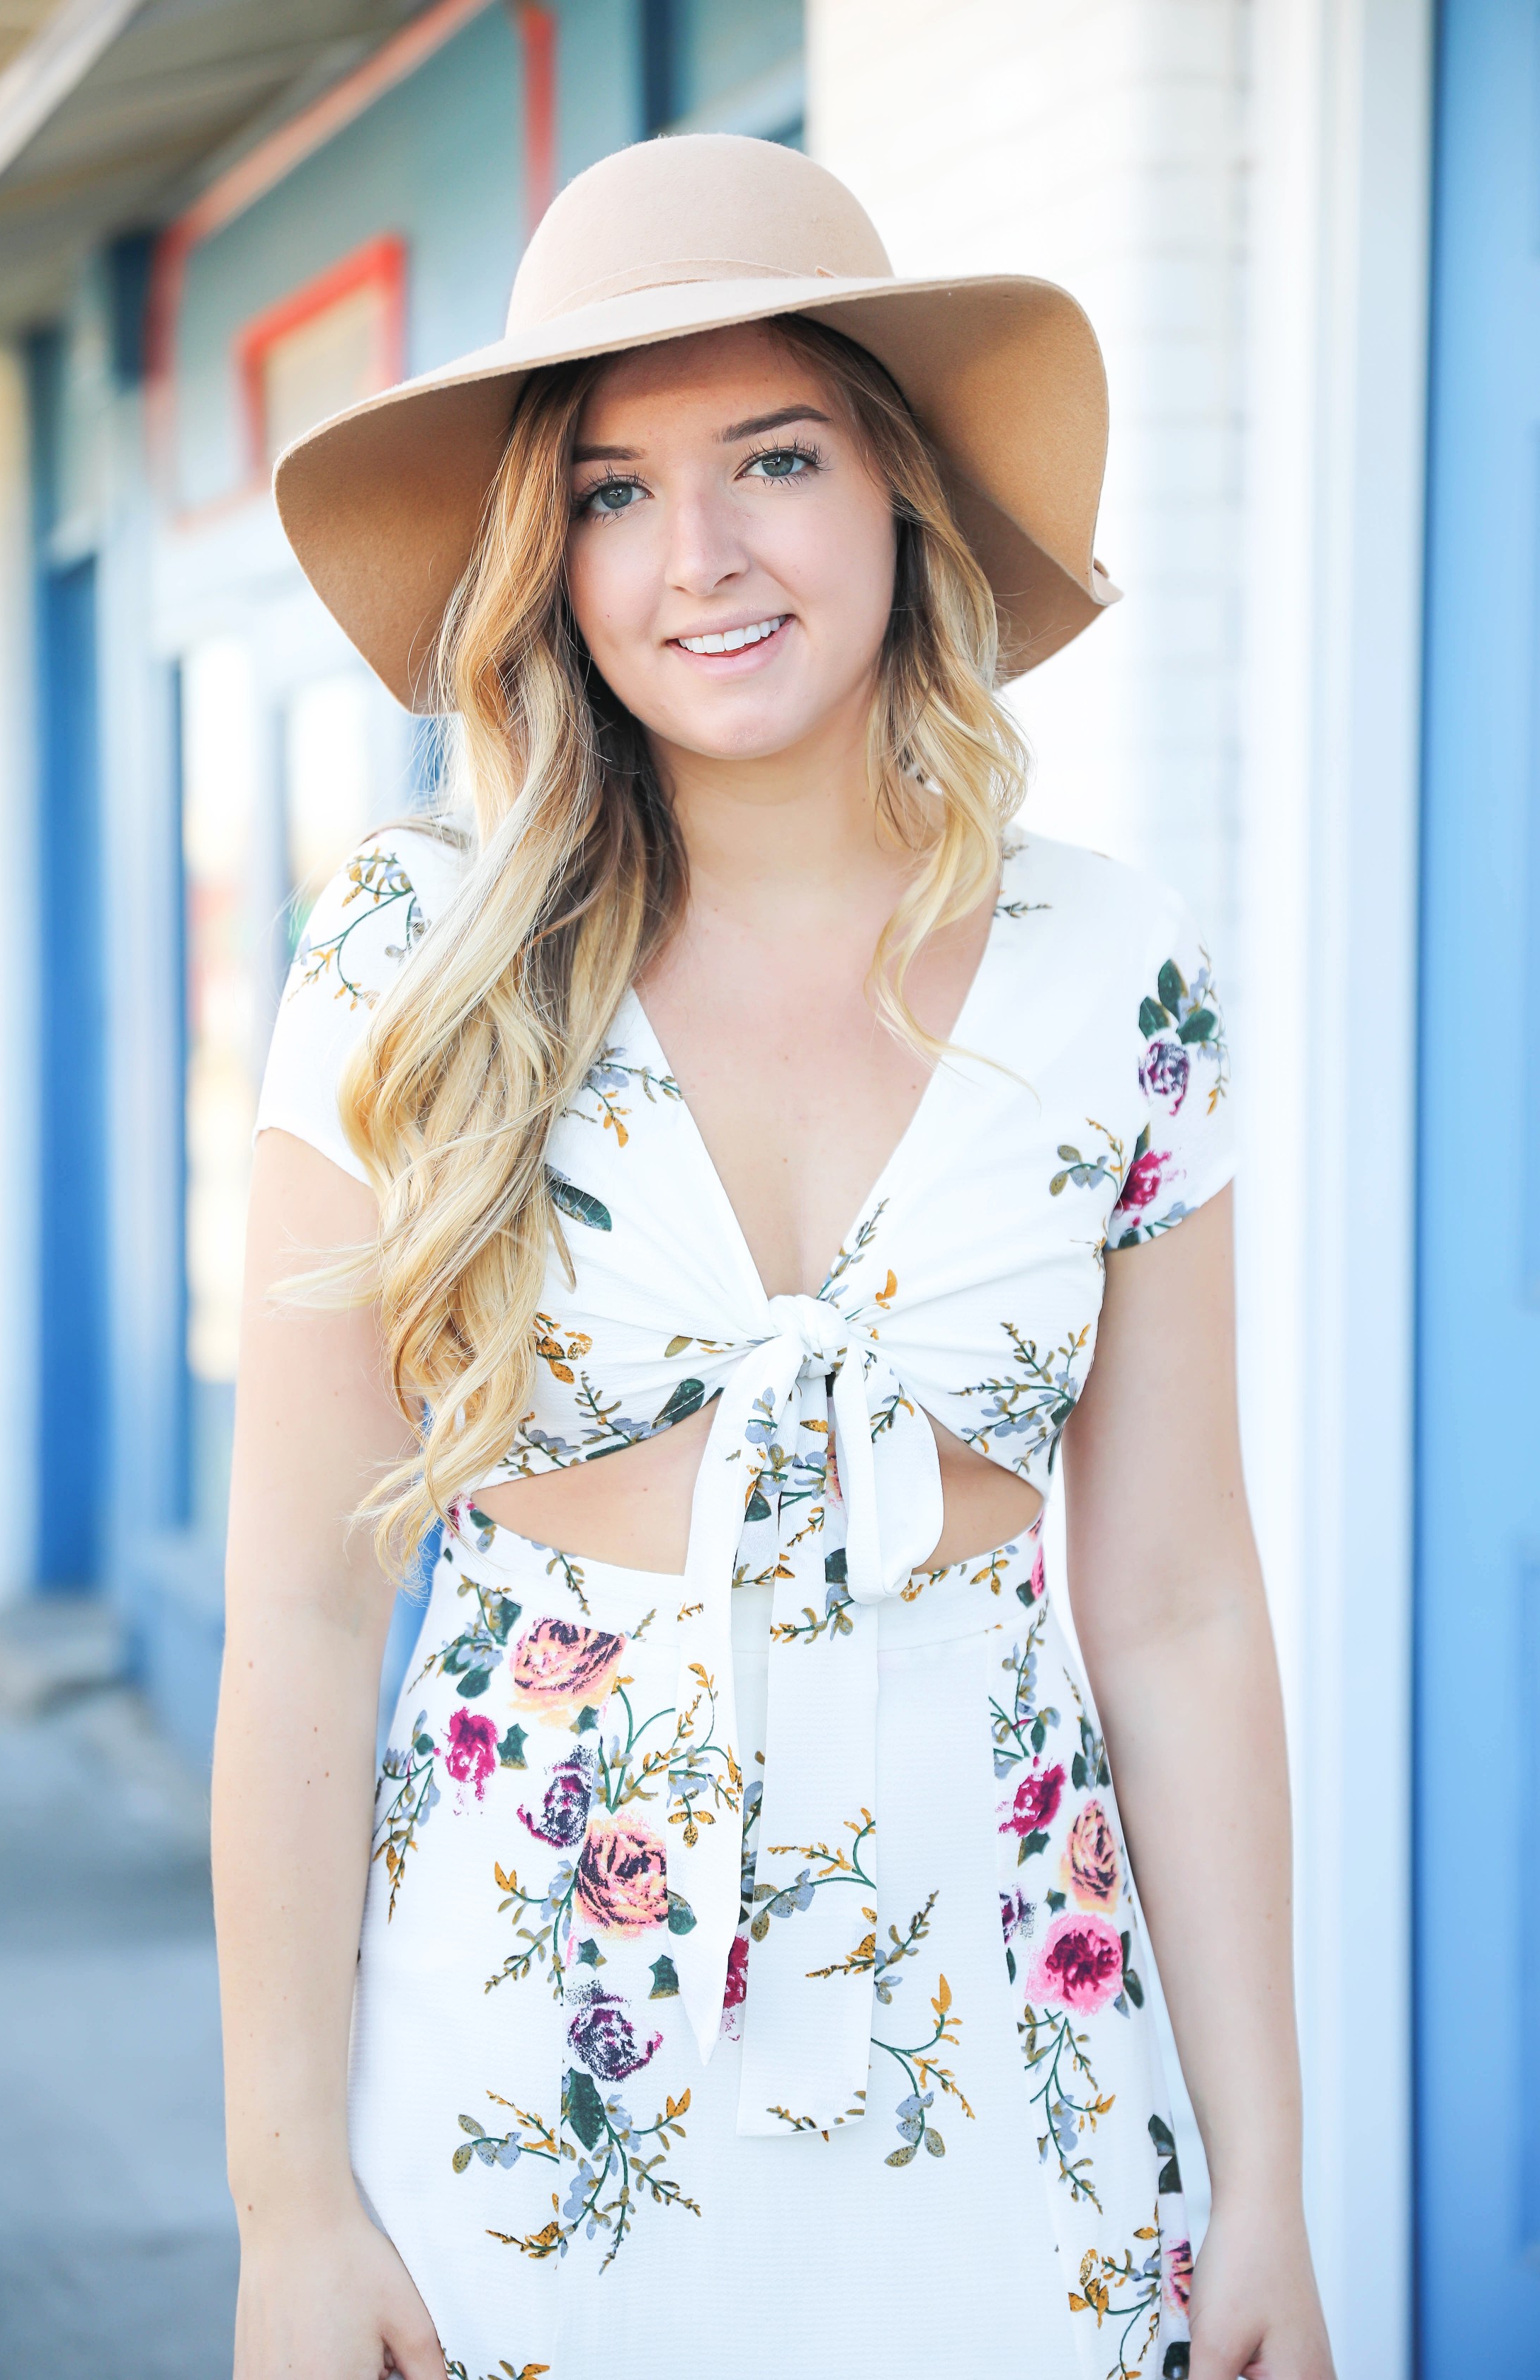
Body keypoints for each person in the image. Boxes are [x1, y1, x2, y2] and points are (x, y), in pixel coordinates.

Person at [213, 134, 1334, 2380]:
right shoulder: (409, 959)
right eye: (616, 490)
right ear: (550, 549)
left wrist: (1271, 2192)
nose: (697, 558)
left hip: (1021, 2069)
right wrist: (284, 2207)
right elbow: (309, 1605)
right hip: (529, 2091)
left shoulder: (1119, 966)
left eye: (776, 458)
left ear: (900, 489)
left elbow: (1186, 1605)